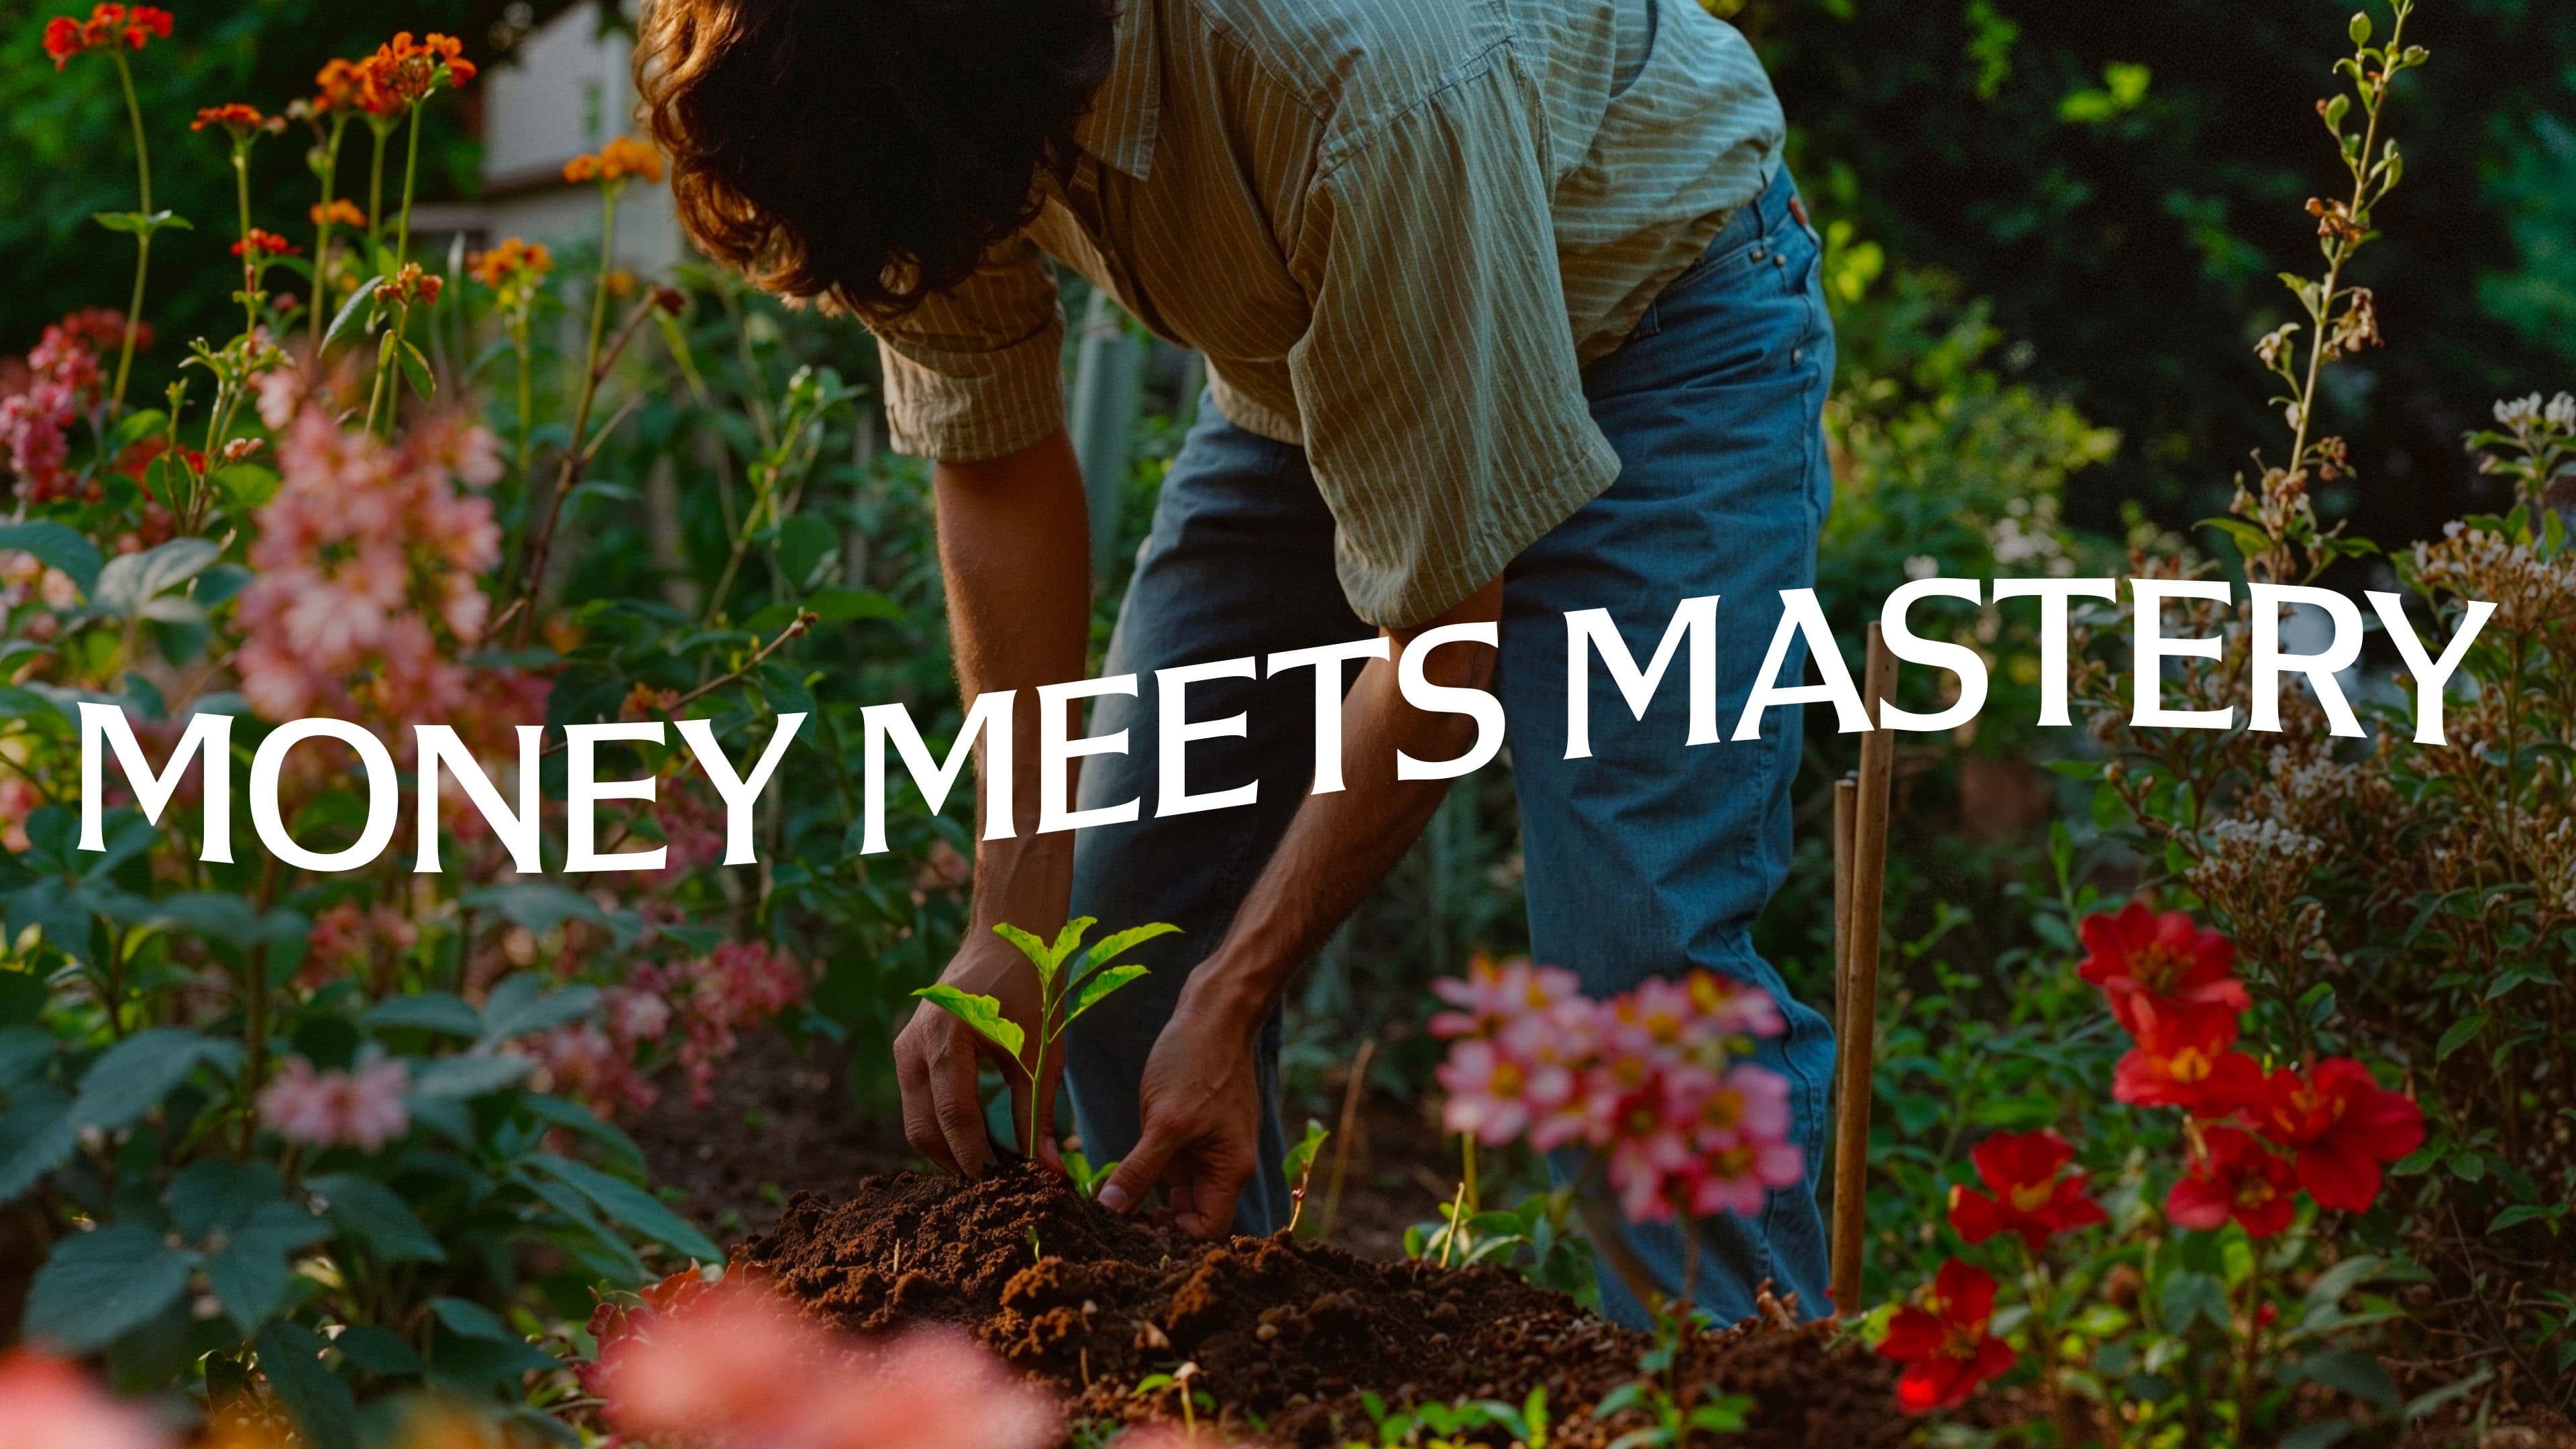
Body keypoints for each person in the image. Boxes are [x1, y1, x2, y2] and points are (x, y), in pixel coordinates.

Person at [641, 0, 1837, 1325]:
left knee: (1633, 971)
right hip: (1315, 358)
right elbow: (995, 455)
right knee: (1114, 938)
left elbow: (1444, 646)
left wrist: (1242, 981)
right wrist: (1011, 923)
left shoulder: (1348, 76)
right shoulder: (894, 84)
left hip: (1658, 335)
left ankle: (1742, 1391)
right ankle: (1213, 1380)